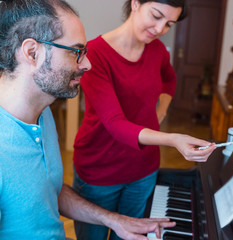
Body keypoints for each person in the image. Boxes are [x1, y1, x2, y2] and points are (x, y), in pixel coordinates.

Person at [0, 0, 176, 239]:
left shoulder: (42, 113)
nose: (87, 64)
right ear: (32, 52)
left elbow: (49, 191)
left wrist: (114, 220)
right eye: (75, 52)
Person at [72, 0, 216, 239]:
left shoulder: (158, 51)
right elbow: (115, 124)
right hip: (99, 170)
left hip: (143, 170)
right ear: (135, 3)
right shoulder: (94, 54)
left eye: (169, 24)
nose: (160, 29)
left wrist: (160, 112)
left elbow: (169, 80)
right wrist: (172, 138)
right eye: (156, 16)